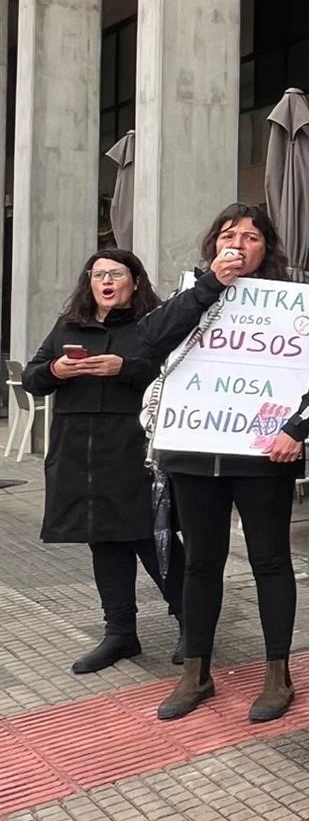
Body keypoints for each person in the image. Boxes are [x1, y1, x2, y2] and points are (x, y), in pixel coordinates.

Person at [135, 204, 309, 723]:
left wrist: (298, 429)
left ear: (266, 249)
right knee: (201, 561)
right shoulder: (191, 295)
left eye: (251, 237)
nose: (239, 244)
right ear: (213, 245)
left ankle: (278, 673)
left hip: (261, 457)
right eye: (230, 235)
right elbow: (148, 341)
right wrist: (209, 287)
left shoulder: (292, 303)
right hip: (194, 453)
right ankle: (196, 671)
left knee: (271, 561)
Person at [24, 249, 171, 674]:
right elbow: (33, 378)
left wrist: (125, 368)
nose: (106, 281)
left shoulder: (152, 325)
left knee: (150, 537)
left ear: (136, 282)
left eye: (116, 274)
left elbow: (170, 373)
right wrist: (56, 369)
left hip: (132, 448)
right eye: (98, 274)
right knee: (103, 539)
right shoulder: (69, 324)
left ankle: (191, 623)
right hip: (78, 450)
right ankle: (120, 632)